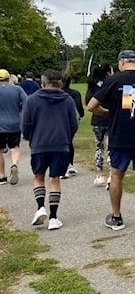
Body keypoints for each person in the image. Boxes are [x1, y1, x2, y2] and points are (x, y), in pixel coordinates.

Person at [87, 50, 135, 242]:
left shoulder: (113, 81)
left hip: (120, 137)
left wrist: (108, 112)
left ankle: (116, 217)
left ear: (122, 62)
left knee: (116, 175)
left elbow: (91, 106)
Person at [21, 69, 79, 230]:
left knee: (38, 176)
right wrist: (68, 138)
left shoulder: (32, 100)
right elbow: (74, 123)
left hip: (39, 143)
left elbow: (26, 123)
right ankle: (53, 217)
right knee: (55, 179)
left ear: (43, 82)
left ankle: (40, 207)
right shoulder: (67, 100)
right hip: (60, 143)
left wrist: (29, 137)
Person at [85, 63, 114, 186]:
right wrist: (107, 111)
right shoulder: (111, 84)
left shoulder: (92, 86)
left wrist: (100, 111)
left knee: (99, 147)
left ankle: (99, 174)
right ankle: (111, 176)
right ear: (108, 72)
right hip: (111, 120)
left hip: (97, 120)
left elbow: (88, 103)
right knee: (111, 148)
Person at [0, 68, 28, 186]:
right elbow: (26, 102)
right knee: (14, 147)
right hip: (15, 123)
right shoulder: (17, 89)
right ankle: (14, 164)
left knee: (0, 151)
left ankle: (2, 176)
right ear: (9, 78)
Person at [60, 73, 85, 178]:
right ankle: (69, 164)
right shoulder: (75, 94)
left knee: (63, 142)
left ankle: (65, 165)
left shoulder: (58, 94)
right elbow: (79, 106)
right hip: (72, 120)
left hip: (60, 119)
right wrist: (81, 115)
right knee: (69, 141)